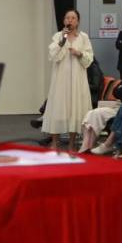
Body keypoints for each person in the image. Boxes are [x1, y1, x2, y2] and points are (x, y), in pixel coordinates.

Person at [41, 9, 94, 151]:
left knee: (75, 109)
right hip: (61, 79)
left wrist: (79, 53)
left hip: (77, 78)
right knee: (57, 107)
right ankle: (54, 142)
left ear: (78, 21)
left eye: (73, 18)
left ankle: (71, 144)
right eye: (67, 18)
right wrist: (62, 41)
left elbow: (89, 58)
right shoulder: (58, 36)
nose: (70, 20)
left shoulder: (83, 37)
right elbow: (52, 56)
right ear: (64, 21)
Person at [78, 49, 122, 153]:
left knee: (102, 114)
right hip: (118, 105)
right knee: (93, 113)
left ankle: (92, 147)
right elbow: (115, 91)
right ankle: (86, 146)